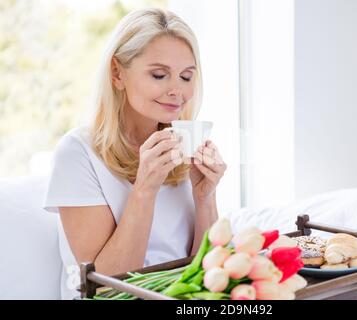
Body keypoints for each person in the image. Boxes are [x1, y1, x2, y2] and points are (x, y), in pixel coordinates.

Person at [43, 8, 226, 299]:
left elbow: (210, 273)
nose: (177, 91)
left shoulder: (181, 146)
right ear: (117, 73)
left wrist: (205, 197)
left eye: (186, 76)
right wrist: (144, 190)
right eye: (159, 75)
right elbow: (104, 288)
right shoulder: (78, 153)